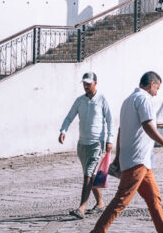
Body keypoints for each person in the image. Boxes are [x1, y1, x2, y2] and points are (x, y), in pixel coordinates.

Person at [89, 71, 163, 233]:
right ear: (151, 84)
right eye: (157, 88)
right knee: (121, 200)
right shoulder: (144, 99)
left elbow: (121, 130)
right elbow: (147, 125)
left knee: (154, 198)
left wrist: (118, 157)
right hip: (137, 160)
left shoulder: (128, 101)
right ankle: (98, 231)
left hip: (141, 160)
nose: (157, 93)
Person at [59, 71, 113, 219]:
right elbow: (69, 117)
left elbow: (110, 120)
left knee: (88, 175)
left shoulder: (102, 99)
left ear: (95, 83)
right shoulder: (79, 101)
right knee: (91, 175)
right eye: (84, 84)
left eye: (88, 84)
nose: (86, 86)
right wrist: (63, 131)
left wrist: (110, 139)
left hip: (96, 143)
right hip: (82, 145)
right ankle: (100, 203)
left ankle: (81, 207)